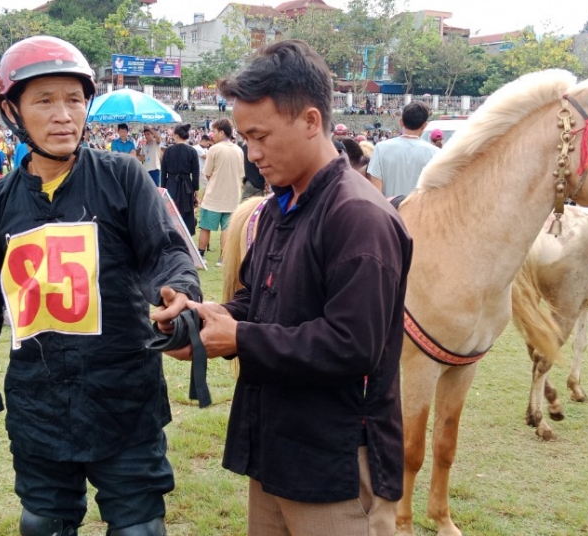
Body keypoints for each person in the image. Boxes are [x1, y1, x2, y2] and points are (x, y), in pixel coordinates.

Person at [0, 36, 201, 536]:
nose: (64, 115)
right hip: (38, 408)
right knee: (42, 525)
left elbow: (167, 252)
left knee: (140, 530)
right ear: (11, 110)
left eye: (74, 99)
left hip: (125, 399)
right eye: (44, 100)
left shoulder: (123, 177)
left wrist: (178, 290)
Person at [166, 39, 412, 535]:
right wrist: (202, 316)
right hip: (278, 448)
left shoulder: (357, 216)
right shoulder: (282, 204)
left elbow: (353, 345)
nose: (251, 153)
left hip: (338, 465)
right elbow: (255, 301)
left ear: (311, 121)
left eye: (260, 136)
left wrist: (240, 339)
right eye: (243, 137)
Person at [366, 102, 439, 197]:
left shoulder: (381, 149)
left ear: (401, 122)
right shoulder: (435, 153)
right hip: (419, 211)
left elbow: (376, 192)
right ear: (424, 125)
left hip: (389, 210)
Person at [197, 118, 244, 266]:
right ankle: (223, 258)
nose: (212, 135)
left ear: (222, 132)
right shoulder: (238, 150)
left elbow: (208, 173)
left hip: (214, 197)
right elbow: (241, 174)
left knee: (205, 227)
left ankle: (201, 256)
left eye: (215, 131)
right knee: (227, 229)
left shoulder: (214, 149)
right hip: (233, 196)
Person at [160, 123, 200, 235]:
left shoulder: (168, 151)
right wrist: (196, 194)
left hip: (171, 185)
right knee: (186, 215)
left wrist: (163, 189)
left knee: (171, 213)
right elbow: (195, 175)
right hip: (187, 187)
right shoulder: (192, 151)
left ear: (176, 135)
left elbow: (163, 173)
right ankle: (186, 240)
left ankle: (172, 237)